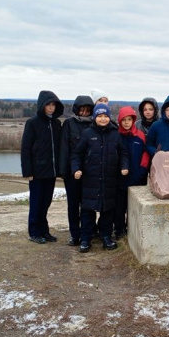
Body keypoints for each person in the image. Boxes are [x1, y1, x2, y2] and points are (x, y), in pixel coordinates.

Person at [71, 104, 129, 252]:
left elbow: (123, 153)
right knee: (88, 210)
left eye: (105, 116)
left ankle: (106, 237)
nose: (103, 119)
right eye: (100, 116)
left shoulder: (115, 134)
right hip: (90, 179)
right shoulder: (87, 133)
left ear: (109, 118)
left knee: (107, 211)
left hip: (109, 179)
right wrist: (76, 169)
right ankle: (85, 239)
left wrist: (124, 166)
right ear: (95, 117)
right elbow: (77, 154)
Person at [20, 90, 64, 244]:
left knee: (46, 203)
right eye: (48, 105)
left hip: (51, 172)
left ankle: (44, 231)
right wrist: (28, 171)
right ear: (42, 105)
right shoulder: (33, 123)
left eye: (53, 105)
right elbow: (26, 148)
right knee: (36, 203)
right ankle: (34, 232)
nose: (51, 108)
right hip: (37, 171)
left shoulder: (56, 123)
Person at [58, 94, 94, 246]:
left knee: (88, 205)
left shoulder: (94, 125)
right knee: (73, 205)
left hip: (89, 173)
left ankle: (88, 233)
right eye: (82, 110)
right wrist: (64, 171)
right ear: (76, 110)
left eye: (87, 110)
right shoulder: (69, 124)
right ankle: (75, 235)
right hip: (72, 173)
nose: (84, 113)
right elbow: (64, 148)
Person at [114, 106, 150, 240]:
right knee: (119, 207)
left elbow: (145, 154)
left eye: (129, 119)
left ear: (133, 120)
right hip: (120, 178)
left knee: (134, 207)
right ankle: (119, 231)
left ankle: (133, 231)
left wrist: (142, 170)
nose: (126, 122)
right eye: (123, 120)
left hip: (137, 178)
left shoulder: (140, 135)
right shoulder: (115, 135)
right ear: (119, 121)